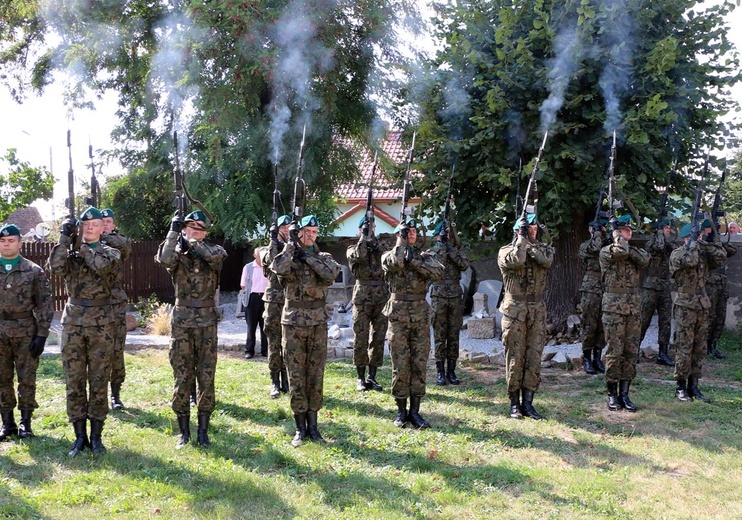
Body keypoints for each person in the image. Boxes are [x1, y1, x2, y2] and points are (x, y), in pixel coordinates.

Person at [47, 207, 122, 456]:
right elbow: (55, 267)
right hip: (74, 323)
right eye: (85, 224)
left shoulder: (111, 252)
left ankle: (97, 436)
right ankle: (79, 436)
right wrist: (64, 238)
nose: (89, 228)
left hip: (102, 323)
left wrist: (81, 246)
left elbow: (99, 266)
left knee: (99, 379)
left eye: (94, 224)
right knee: (74, 380)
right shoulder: (71, 252)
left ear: (103, 228)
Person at [155, 210, 227, 449]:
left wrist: (191, 241)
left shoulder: (215, 251)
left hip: (207, 322)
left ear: (206, 232)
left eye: (200, 229)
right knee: (182, 374)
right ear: (185, 229)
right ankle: (184, 431)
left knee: (206, 376)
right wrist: (173, 233)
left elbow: (210, 255)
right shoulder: (176, 254)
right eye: (190, 228)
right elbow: (164, 259)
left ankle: (204, 431)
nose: (195, 232)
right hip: (182, 322)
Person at [270, 215, 340, 447]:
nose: (312, 235)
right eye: (307, 232)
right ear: (299, 233)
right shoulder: (289, 258)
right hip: (292, 323)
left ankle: (314, 426)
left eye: (315, 232)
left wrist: (308, 258)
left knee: (315, 374)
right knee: (296, 375)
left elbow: (330, 274)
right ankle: (300, 428)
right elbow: (276, 268)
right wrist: (290, 245)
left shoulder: (324, 257)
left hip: (317, 322)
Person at [382, 219, 443, 429]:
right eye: (407, 231)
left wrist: (414, 261)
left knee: (419, 364)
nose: (411, 234)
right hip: (398, 317)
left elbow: (438, 273)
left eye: (414, 231)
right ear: (398, 235)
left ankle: (415, 411)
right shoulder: (389, 255)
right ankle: (401, 411)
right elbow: (393, 263)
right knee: (400, 366)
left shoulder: (426, 257)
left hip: (419, 316)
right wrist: (401, 245)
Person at [498, 214, 554, 420]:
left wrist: (530, 244)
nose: (533, 230)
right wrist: (522, 240)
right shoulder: (506, 251)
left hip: (536, 311)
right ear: (517, 231)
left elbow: (545, 261)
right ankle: (514, 403)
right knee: (515, 357)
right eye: (527, 228)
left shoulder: (543, 249)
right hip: (515, 312)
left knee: (533, 358)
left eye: (534, 227)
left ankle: (528, 403)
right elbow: (517, 260)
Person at [0, 224, 53, 440]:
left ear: (20, 243)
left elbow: (44, 304)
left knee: (27, 378)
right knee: (2, 379)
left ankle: (25, 423)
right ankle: (7, 423)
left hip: (25, 332)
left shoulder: (33, 271)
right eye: (2, 241)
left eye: (11, 240)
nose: (6, 244)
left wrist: (41, 335)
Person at [669, 222, 726, 402]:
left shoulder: (702, 253)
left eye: (700, 236)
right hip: (685, 306)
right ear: (686, 238)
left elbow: (721, 256)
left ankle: (694, 386)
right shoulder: (678, 254)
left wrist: (707, 243)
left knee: (699, 348)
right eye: (695, 237)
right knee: (684, 348)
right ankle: (680, 387)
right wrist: (692, 244)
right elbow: (689, 261)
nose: (699, 239)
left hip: (702, 305)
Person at [599, 215, 649, 412]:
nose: (630, 232)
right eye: (625, 230)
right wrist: (617, 237)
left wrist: (626, 243)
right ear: (616, 232)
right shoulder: (607, 251)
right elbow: (619, 251)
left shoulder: (636, 252)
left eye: (629, 230)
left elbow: (644, 260)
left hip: (633, 308)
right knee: (614, 351)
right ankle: (612, 394)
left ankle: (625, 393)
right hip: (613, 309)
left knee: (630, 351)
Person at [346, 216, 389, 392]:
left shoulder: (381, 247)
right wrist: (364, 238)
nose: (370, 230)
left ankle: (372, 376)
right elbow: (358, 256)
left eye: (372, 227)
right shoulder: (352, 248)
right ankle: (360, 377)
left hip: (381, 297)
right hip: (362, 298)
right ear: (359, 231)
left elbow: (388, 258)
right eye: (366, 228)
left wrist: (374, 243)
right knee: (361, 338)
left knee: (378, 338)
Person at [429, 220, 470, 386]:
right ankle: (440, 371)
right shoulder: (433, 251)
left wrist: (450, 249)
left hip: (454, 296)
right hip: (438, 296)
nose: (448, 236)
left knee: (453, 334)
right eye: (444, 234)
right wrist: (441, 247)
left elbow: (464, 265)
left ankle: (451, 370)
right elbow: (435, 268)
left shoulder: (457, 251)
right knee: (439, 335)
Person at [100, 208, 134, 409]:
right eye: (100, 221)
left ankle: (115, 394)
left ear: (113, 225)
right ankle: (97, 393)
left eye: (108, 221)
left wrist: (104, 237)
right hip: (92, 306)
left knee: (116, 349)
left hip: (114, 304)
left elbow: (125, 246)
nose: (104, 224)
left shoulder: (118, 242)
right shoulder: (87, 242)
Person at [260, 215, 291, 399]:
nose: (286, 230)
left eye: (288, 227)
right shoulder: (266, 249)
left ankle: (287, 380)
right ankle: (275, 382)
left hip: (290, 299)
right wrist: (273, 241)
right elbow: (271, 261)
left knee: (289, 343)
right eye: (283, 227)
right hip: (273, 302)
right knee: (274, 343)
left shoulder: (293, 249)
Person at [639, 219, 675, 366]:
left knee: (665, 321)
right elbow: (658, 247)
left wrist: (665, 237)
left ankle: (663, 353)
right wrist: (659, 233)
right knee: (643, 320)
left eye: (668, 228)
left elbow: (672, 249)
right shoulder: (651, 244)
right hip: (651, 287)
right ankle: (633, 351)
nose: (668, 230)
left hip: (665, 286)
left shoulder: (667, 244)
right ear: (657, 230)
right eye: (665, 228)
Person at [577, 220, 608, 375]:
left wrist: (604, 233)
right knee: (589, 324)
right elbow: (595, 248)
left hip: (606, 287)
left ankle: (598, 357)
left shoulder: (608, 243)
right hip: (591, 288)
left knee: (602, 325)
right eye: (596, 229)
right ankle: (587, 358)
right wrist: (596, 234)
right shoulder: (585, 245)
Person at [705, 220, 736, 359]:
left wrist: (719, 242)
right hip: (710, 285)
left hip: (722, 285)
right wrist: (714, 243)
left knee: (720, 316)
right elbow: (715, 255)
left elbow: (732, 251)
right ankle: (704, 345)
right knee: (709, 316)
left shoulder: (719, 244)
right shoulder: (704, 244)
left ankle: (713, 345)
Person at [241, 248, 268, 359]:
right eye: (259, 255)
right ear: (254, 255)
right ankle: (249, 351)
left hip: (266, 299)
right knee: (251, 326)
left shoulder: (269, 267)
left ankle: (265, 350)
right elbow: (243, 285)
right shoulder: (248, 267)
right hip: (252, 298)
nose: (262, 257)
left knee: (265, 326)